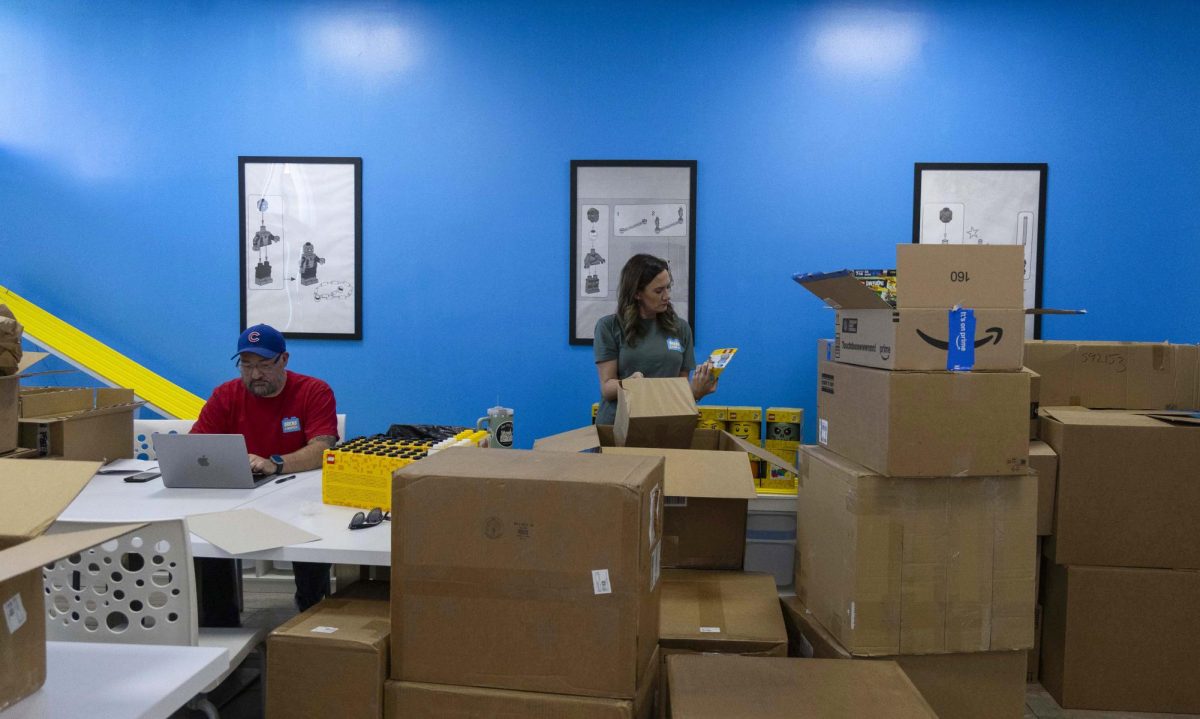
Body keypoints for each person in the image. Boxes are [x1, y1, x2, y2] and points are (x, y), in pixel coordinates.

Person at [190, 324, 339, 625]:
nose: (255, 374)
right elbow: (196, 446)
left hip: (299, 500)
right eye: (246, 365)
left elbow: (324, 448)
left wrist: (275, 463)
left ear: (284, 360)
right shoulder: (225, 395)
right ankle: (221, 627)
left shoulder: (314, 391)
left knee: (313, 545)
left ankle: (310, 616)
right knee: (204, 541)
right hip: (238, 498)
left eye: (264, 365)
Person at [594, 254, 717, 425]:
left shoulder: (680, 328)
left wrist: (696, 391)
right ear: (637, 293)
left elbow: (679, 390)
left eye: (668, 287)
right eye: (659, 291)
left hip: (664, 424)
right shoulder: (609, 326)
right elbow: (607, 388)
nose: (667, 296)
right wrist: (630, 385)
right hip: (618, 426)